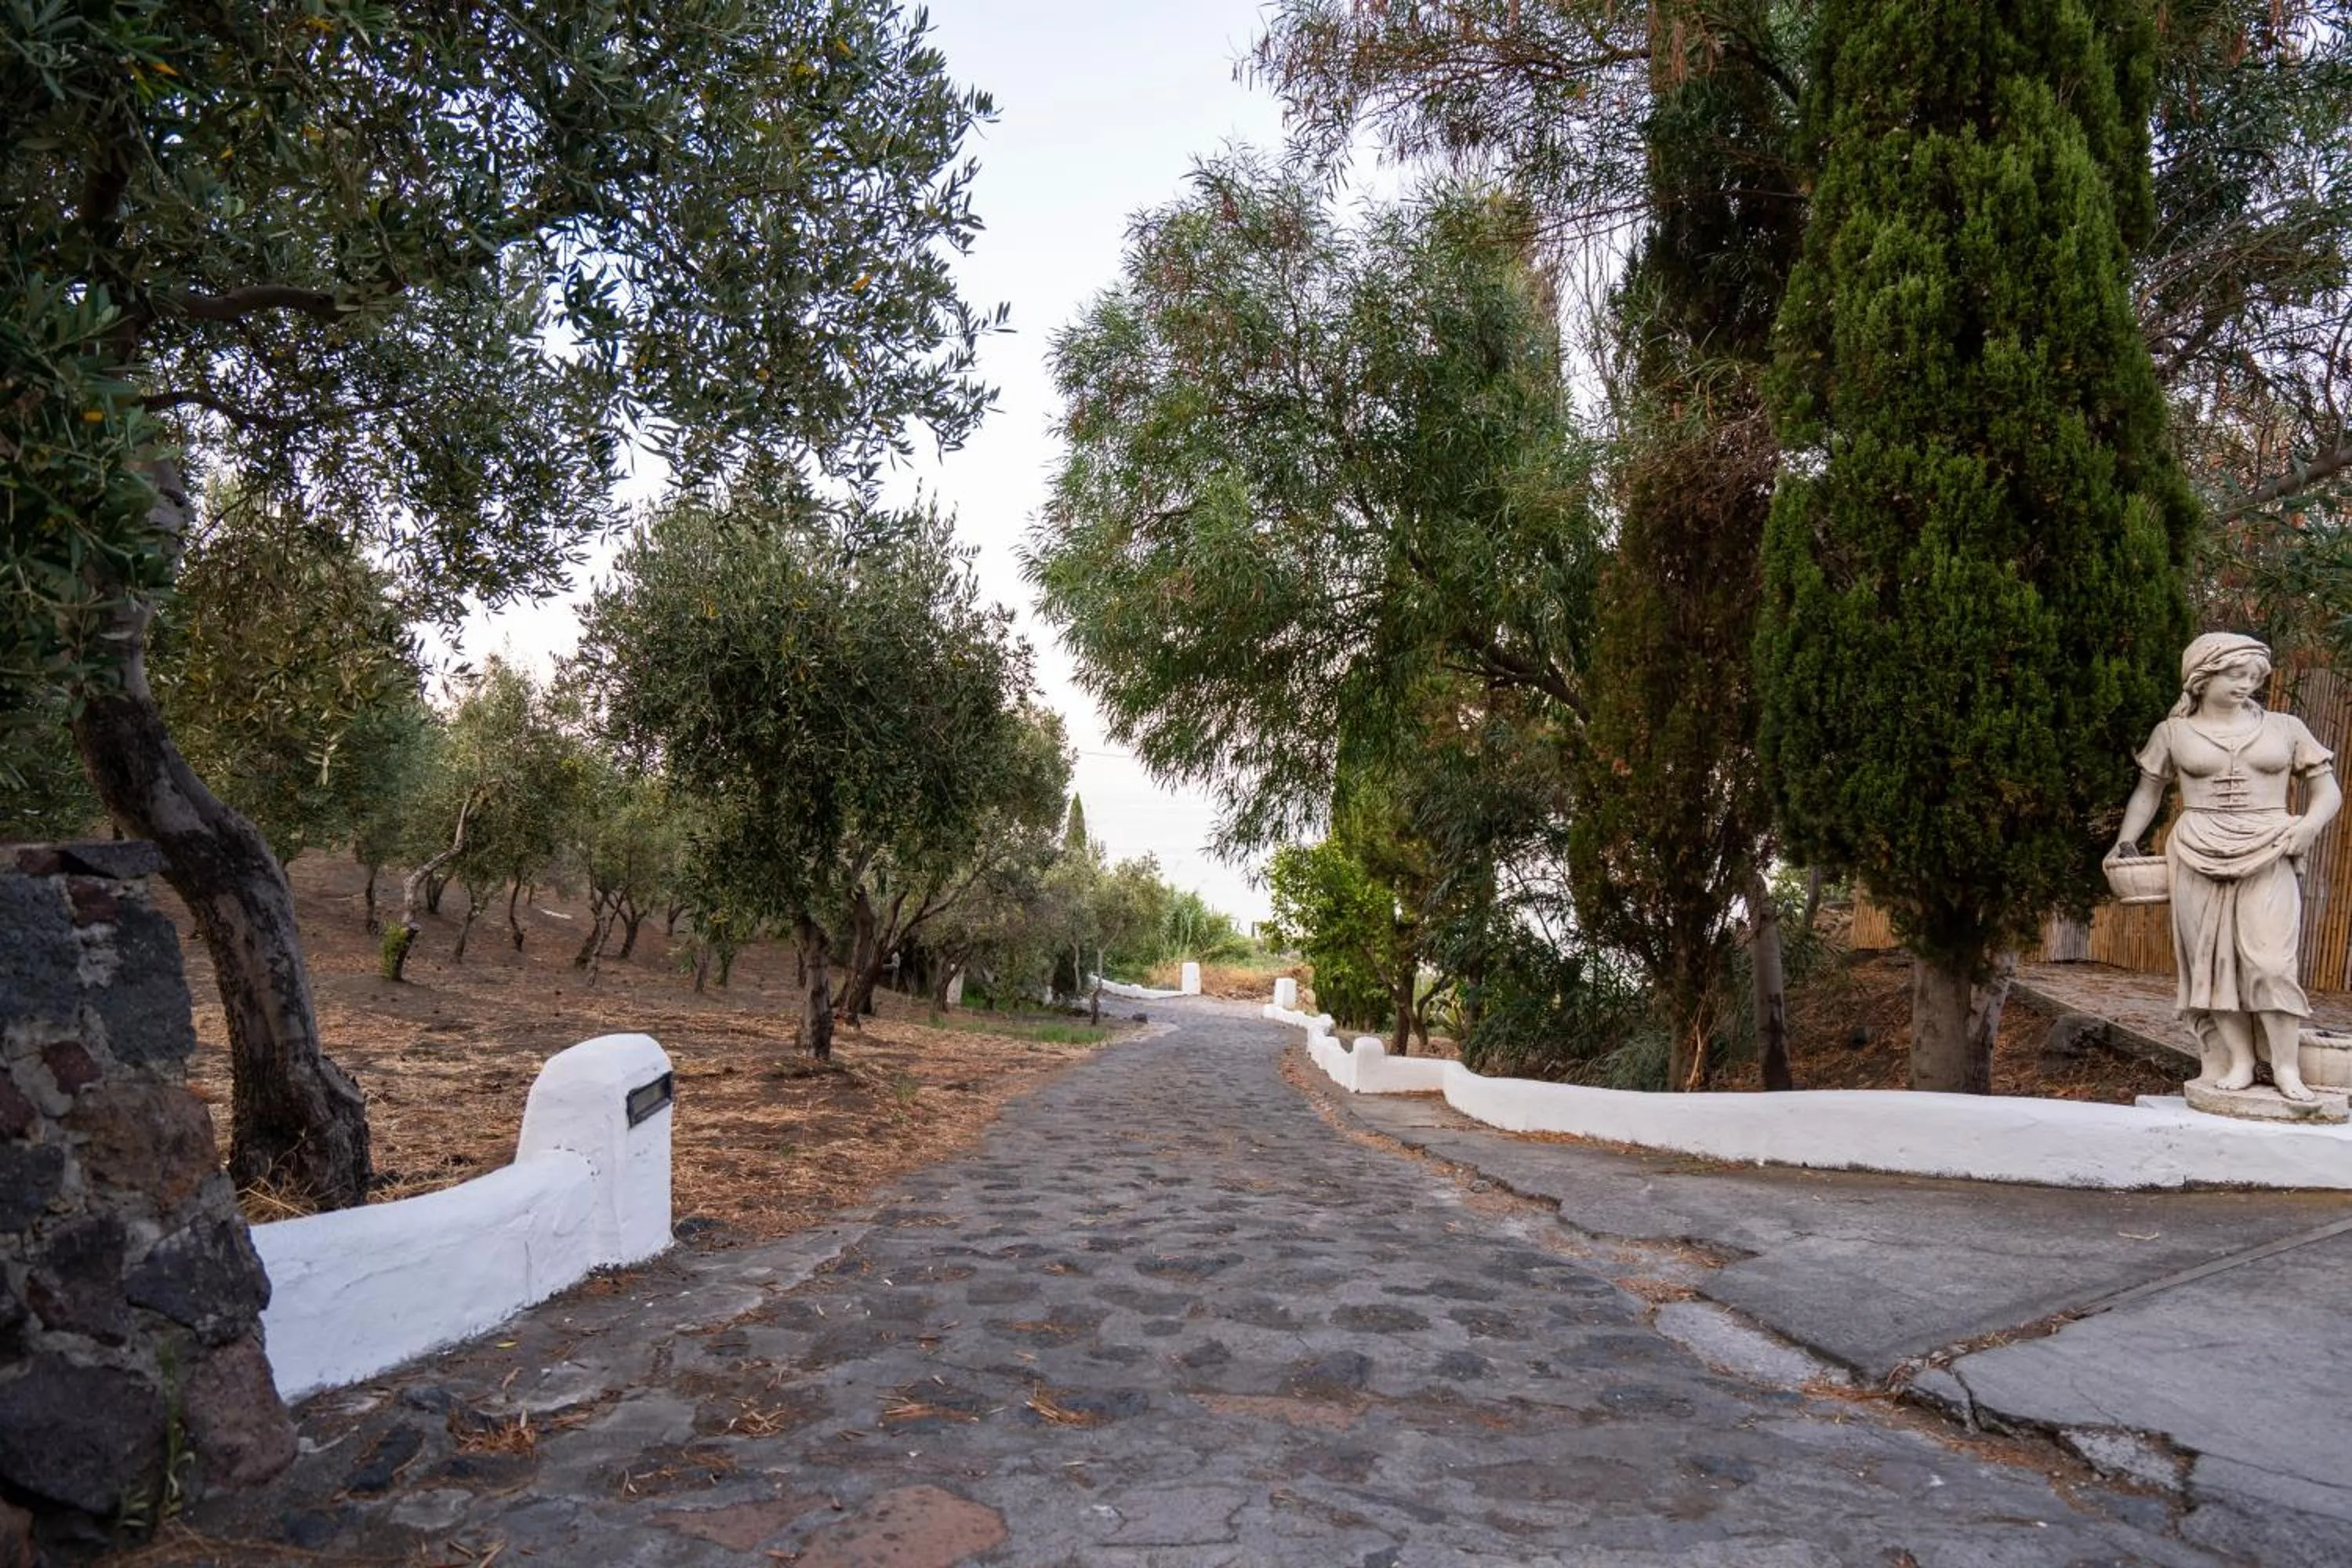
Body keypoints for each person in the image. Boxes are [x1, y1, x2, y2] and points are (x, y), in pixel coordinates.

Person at [2111, 633, 2342, 1098]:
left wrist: (2309, 827)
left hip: (2271, 845)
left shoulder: (2286, 727)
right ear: (2202, 676)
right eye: (2235, 675)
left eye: (2254, 677)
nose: (2246, 685)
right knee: (2213, 964)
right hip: (2197, 846)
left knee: (2272, 962)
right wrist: (2125, 842)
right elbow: (2148, 792)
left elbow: (2327, 791)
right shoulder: (2172, 733)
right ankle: (2238, 1061)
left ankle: (2285, 1068)